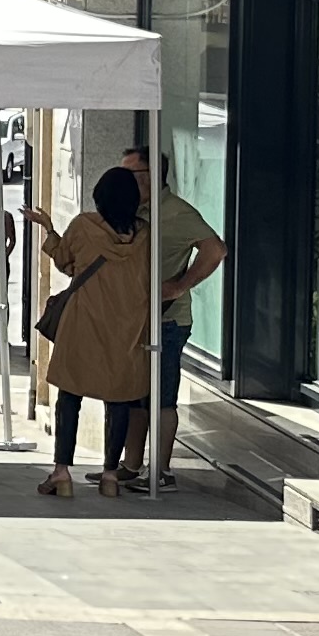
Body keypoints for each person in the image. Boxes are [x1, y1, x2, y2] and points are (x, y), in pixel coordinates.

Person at [31, 162, 165, 497]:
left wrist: (49, 229)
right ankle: (109, 477)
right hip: (128, 325)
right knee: (118, 400)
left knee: (69, 396)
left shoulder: (84, 226)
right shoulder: (147, 234)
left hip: (84, 322)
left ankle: (61, 472)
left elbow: (65, 262)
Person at [120, 145, 227, 457]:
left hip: (167, 320)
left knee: (163, 397)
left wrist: (181, 285)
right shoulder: (131, 211)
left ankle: (162, 469)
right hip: (133, 317)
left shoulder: (177, 212)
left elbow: (215, 249)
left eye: (130, 174)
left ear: (150, 176)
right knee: (133, 396)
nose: (123, 181)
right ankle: (131, 463)